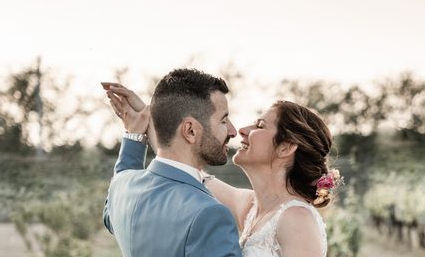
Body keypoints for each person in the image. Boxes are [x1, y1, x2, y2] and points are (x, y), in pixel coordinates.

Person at [105, 72, 340, 257]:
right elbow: (178, 163)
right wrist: (157, 119)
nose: (241, 130)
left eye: (259, 125)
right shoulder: (250, 207)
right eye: (224, 120)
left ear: (286, 147)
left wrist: (140, 132)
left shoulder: (297, 219)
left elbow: (178, 161)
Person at [102, 68, 242, 257]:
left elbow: (117, 191)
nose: (233, 131)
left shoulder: (121, 188)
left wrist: (133, 135)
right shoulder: (210, 215)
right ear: (190, 131)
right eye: (224, 120)